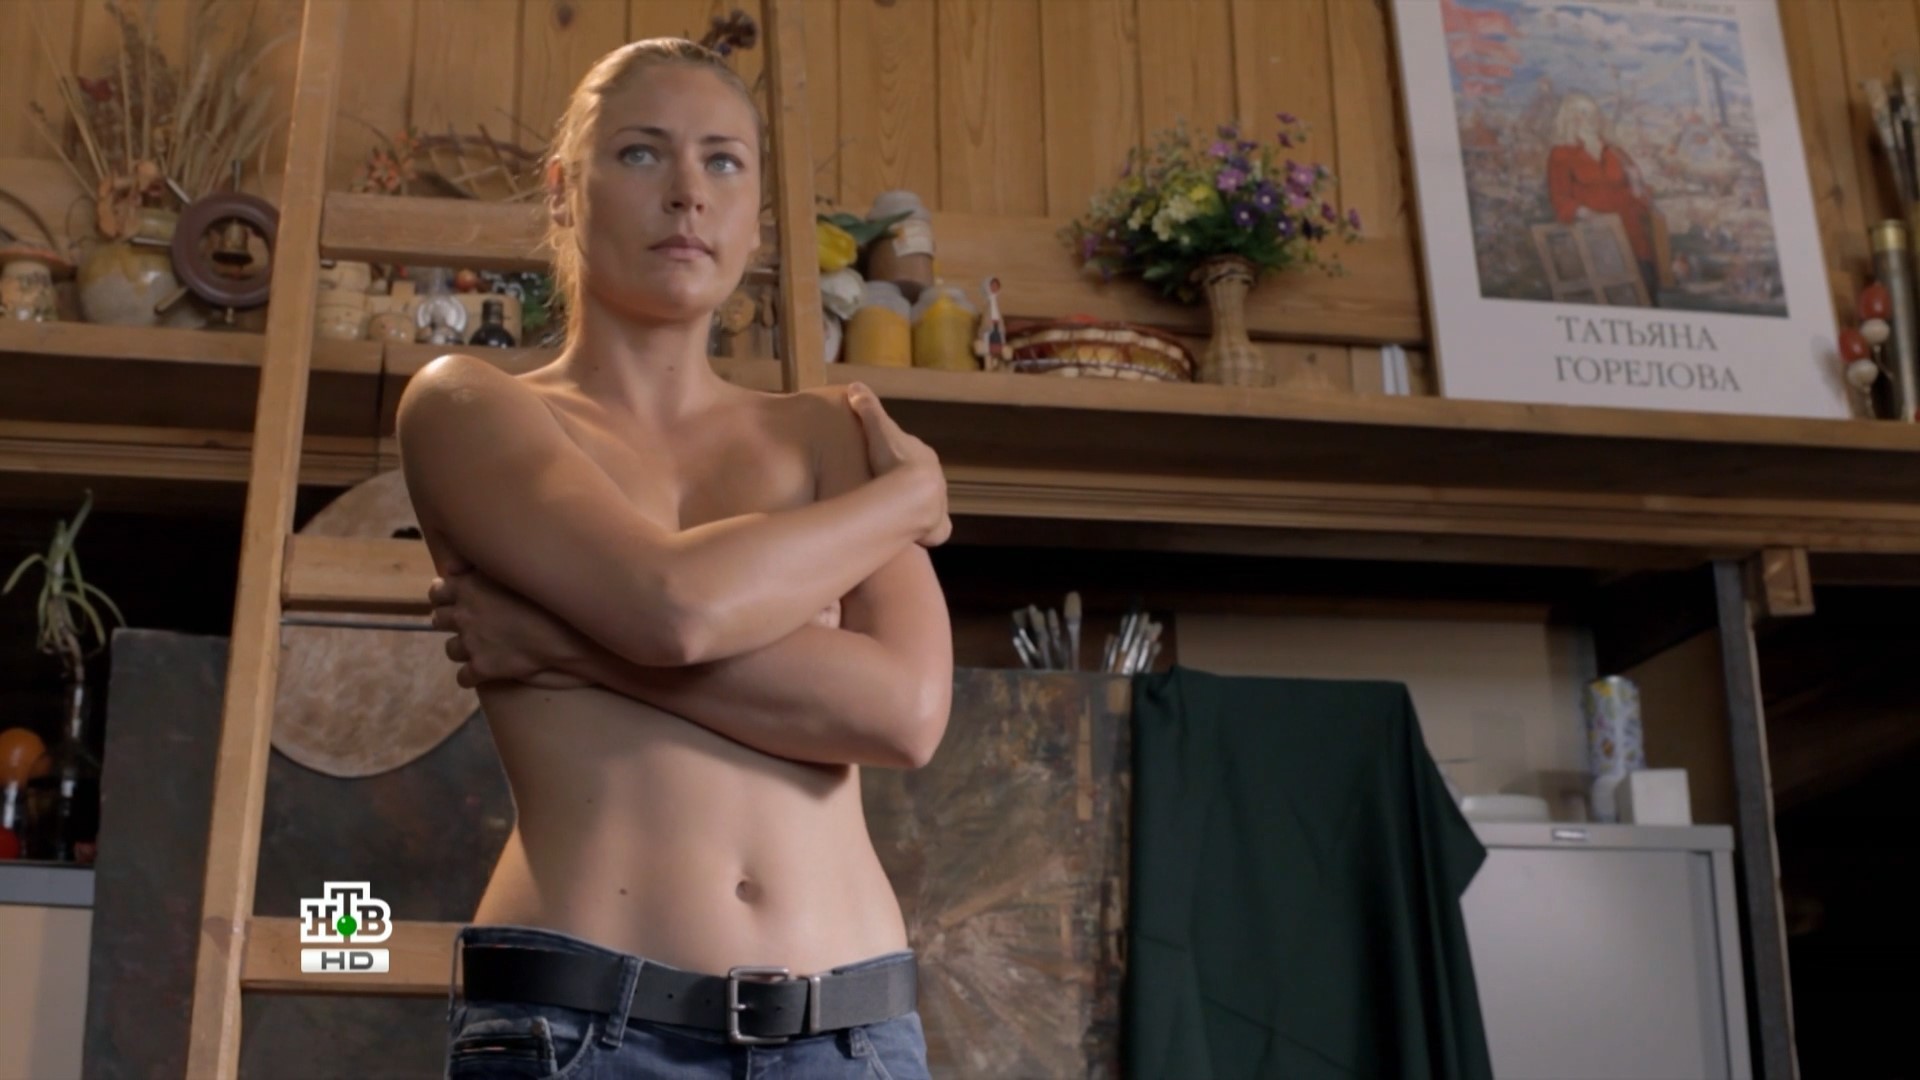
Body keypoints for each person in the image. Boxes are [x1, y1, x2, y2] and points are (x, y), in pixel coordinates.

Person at [396, 38, 953, 1078]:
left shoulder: (832, 431)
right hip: (577, 1030)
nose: (689, 192)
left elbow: (905, 713)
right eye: (643, 153)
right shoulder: (467, 406)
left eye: (723, 161)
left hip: (849, 1037)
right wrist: (910, 499)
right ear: (564, 192)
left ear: (755, 218)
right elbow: (672, 608)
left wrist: (574, 649)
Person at [1545, 92, 1661, 307]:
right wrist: (1587, 214)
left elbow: (1641, 198)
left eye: (1594, 113)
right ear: (1570, 117)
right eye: (1583, 113)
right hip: (1595, 239)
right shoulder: (1561, 154)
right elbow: (1560, 198)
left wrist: (1637, 185)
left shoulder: (1616, 151)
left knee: (1645, 295)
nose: (1591, 118)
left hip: (1632, 235)